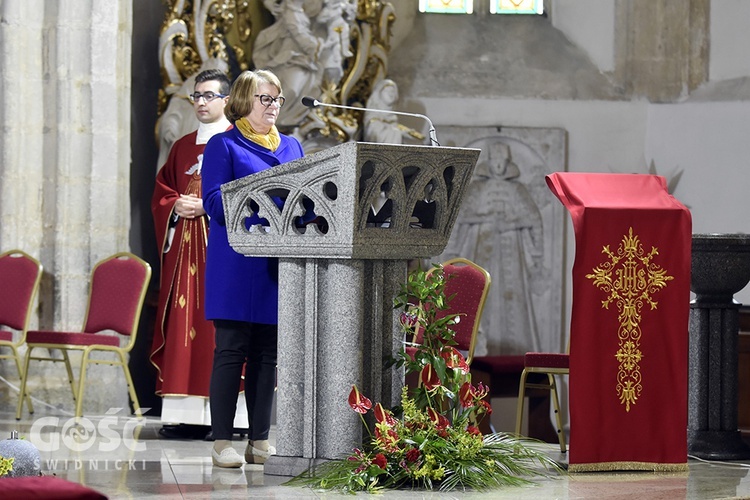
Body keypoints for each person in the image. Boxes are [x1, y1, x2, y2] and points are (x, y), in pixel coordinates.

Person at [201, 69, 305, 468]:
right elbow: (213, 202)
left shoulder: (292, 146)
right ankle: (222, 441)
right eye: (266, 99)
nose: (273, 107)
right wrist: (266, 210)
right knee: (231, 351)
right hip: (236, 263)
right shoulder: (223, 146)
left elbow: (306, 200)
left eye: (277, 99)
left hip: (277, 264)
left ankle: (259, 439)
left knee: (267, 355)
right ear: (244, 100)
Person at [150, 69, 232, 439]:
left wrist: (206, 207)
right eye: (196, 96)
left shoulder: (239, 143)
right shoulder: (182, 146)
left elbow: (249, 192)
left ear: (227, 100)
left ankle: (227, 418)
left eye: (209, 96)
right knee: (183, 320)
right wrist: (174, 205)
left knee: (219, 327)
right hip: (184, 253)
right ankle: (182, 414)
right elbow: (162, 190)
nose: (200, 102)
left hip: (221, 251)